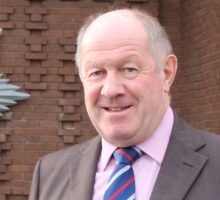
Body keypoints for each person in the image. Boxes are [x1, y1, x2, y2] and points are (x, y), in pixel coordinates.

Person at [29, 8, 220, 200]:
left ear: (166, 73)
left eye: (129, 69)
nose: (111, 90)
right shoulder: (50, 174)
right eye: (97, 72)